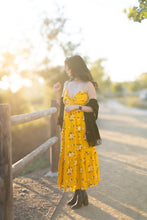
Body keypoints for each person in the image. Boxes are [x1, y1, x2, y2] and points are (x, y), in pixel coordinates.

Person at [53, 55, 101, 209]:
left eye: (68, 67)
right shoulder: (67, 84)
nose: (67, 70)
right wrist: (56, 92)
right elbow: (63, 104)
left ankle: (81, 194)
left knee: (81, 159)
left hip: (82, 130)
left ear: (75, 67)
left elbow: (93, 108)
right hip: (68, 130)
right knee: (71, 160)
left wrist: (77, 107)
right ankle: (79, 193)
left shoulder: (88, 85)